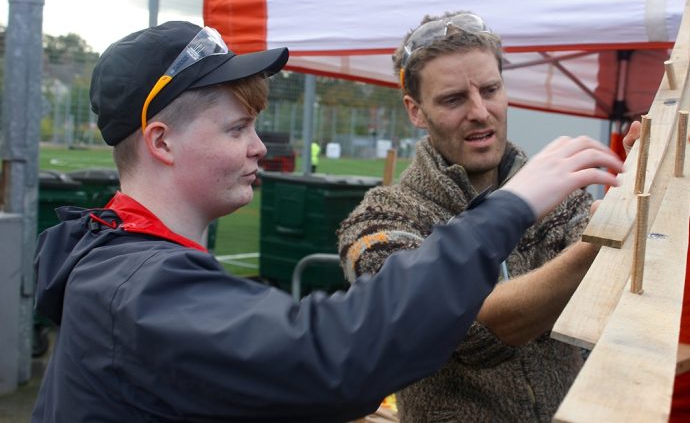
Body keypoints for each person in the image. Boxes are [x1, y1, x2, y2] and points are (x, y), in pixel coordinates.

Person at [31, 21, 625, 422]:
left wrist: (634, 202)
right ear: (161, 142)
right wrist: (512, 207)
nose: (260, 147)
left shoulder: (123, 264)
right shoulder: (136, 288)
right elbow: (337, 351)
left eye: (491, 89)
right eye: (237, 129)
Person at [337, 11, 690, 421]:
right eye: (453, 99)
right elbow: (471, 334)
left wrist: (648, 201)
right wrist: (607, 234)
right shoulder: (378, 222)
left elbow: (610, 298)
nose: (480, 111)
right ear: (415, 110)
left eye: (490, 89)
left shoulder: (560, 197)